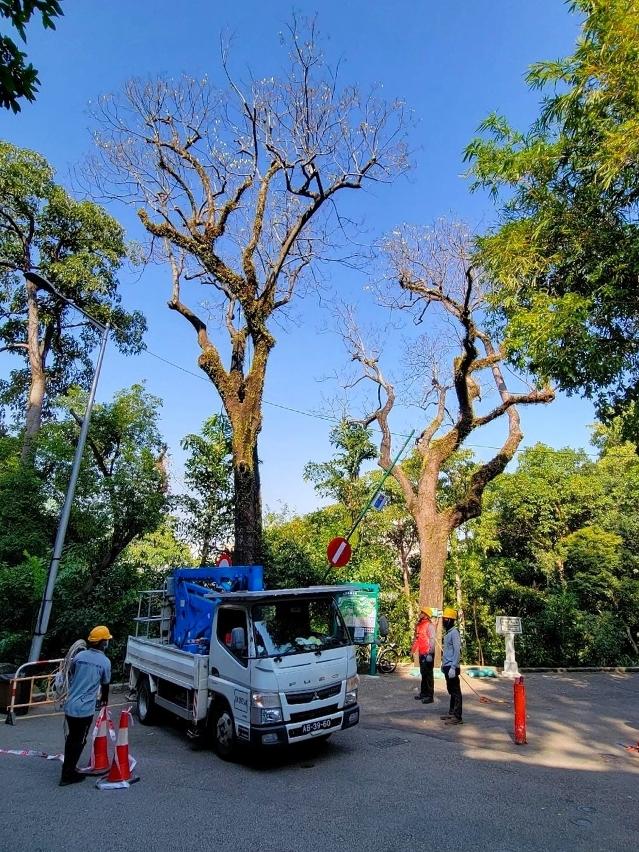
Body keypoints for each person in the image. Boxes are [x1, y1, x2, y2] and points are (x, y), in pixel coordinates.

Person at [60, 625, 112, 786]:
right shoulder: (104, 662)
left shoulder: (79, 656)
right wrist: (104, 700)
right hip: (84, 709)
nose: (108, 643)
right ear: (103, 643)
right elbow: (105, 684)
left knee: (72, 739)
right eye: (107, 640)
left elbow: (72, 673)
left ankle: (69, 769)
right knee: (79, 740)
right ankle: (67, 775)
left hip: (70, 705)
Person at [440, 607, 462, 725]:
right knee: (451, 691)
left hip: (452, 667)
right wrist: (443, 665)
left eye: (445, 618)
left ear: (451, 620)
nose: (444, 620)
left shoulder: (454, 633)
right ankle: (452, 712)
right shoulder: (448, 633)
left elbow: (457, 651)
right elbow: (447, 651)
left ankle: (458, 717)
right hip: (447, 666)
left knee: (456, 691)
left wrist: (453, 666)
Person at [411, 607, 436, 704]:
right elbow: (417, 638)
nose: (420, 613)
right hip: (422, 652)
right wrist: (413, 650)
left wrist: (430, 653)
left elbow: (433, 640)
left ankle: (430, 696)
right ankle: (424, 693)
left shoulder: (430, 625)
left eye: (422, 612)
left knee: (429, 675)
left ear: (425, 615)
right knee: (423, 673)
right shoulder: (419, 625)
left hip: (428, 653)